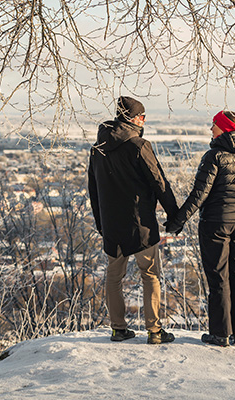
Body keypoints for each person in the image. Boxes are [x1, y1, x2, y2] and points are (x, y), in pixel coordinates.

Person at [165, 110, 235, 347]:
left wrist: (178, 221)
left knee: (219, 278)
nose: (211, 129)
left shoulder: (214, 156)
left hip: (216, 225)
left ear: (224, 128)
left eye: (213, 125)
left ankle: (220, 334)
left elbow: (199, 195)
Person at [88, 96, 178, 344]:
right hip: (142, 224)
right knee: (150, 275)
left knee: (114, 276)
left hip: (112, 225)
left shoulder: (98, 149)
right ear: (132, 118)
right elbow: (158, 182)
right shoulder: (139, 145)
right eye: (142, 115)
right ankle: (155, 331)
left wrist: (101, 223)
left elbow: (93, 190)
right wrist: (174, 215)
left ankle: (118, 328)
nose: (144, 120)